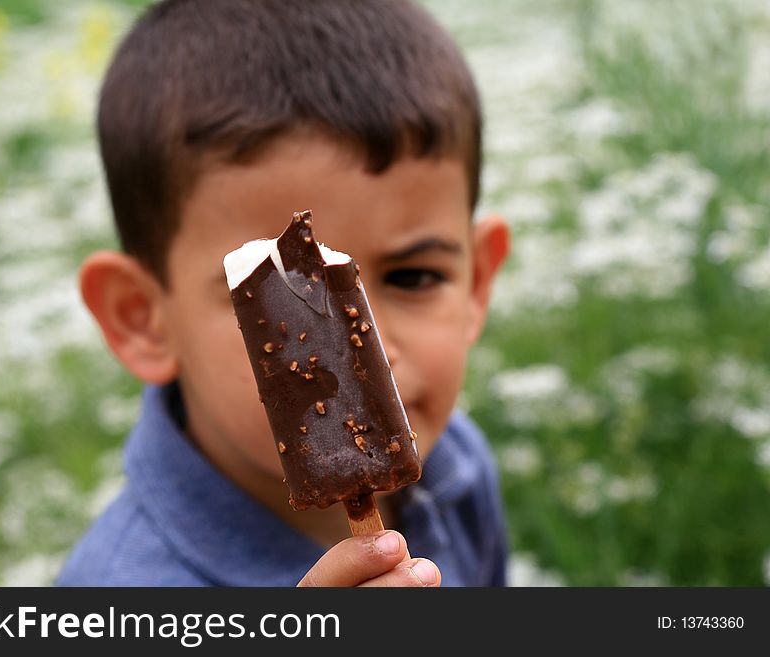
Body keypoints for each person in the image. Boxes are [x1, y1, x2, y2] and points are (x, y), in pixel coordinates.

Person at [57, 0, 510, 587]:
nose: (370, 346)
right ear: (142, 318)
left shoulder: (458, 465)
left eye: (413, 277)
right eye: (285, 298)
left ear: (476, 281)